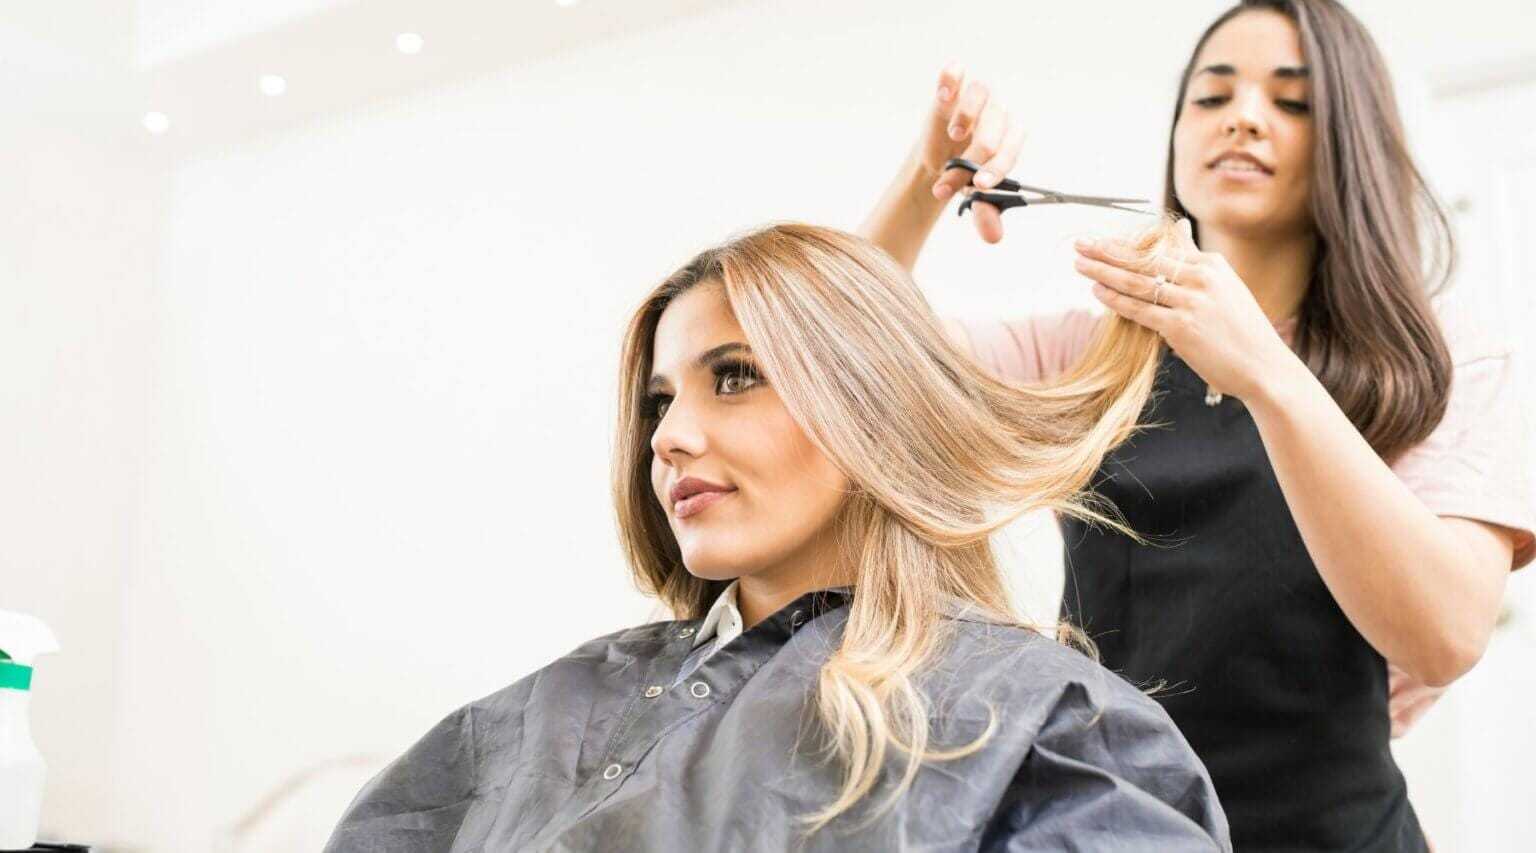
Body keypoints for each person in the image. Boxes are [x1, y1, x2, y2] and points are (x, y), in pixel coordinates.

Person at [859, 1, 1536, 849]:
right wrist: (925, 184)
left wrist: (1269, 376)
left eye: (1292, 102)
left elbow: (1445, 635)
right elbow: (846, 365)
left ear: (1351, 144)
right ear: (1178, 138)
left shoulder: (1435, 359)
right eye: (1212, 98)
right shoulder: (1089, 351)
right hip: (1114, 829)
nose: (1243, 117)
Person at [322, 222, 1232, 851]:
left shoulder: (1048, 727)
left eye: (736, 376)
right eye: (659, 399)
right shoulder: (537, 714)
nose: (669, 436)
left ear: (869, 403)